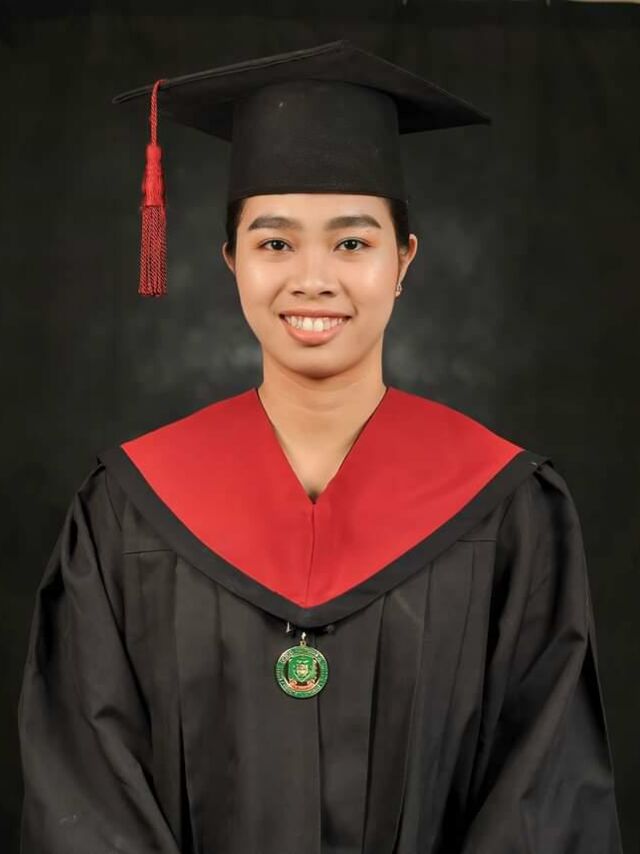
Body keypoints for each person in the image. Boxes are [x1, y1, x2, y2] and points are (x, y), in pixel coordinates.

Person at [17, 40, 624, 853]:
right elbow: (86, 794)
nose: (312, 278)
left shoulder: (509, 509)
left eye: (352, 242)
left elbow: (542, 800)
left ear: (403, 260)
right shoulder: (126, 508)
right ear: (230, 260)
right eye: (274, 243)